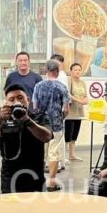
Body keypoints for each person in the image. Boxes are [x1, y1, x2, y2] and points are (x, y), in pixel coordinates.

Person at [0, 83, 53, 193]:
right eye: (12, 99)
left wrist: (28, 121)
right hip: (10, 178)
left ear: (28, 99)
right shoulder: (2, 120)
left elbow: (47, 137)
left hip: (35, 177)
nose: (17, 102)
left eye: (20, 98)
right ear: (6, 103)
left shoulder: (39, 117)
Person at [32, 60, 70, 191]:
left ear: (46, 70)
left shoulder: (38, 86)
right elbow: (66, 109)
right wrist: (61, 117)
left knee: (40, 152)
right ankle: (51, 183)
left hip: (40, 125)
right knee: (54, 153)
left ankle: (38, 180)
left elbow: (35, 106)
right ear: (57, 72)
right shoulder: (62, 87)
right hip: (56, 125)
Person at [65, 62, 87, 162]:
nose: (77, 72)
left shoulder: (82, 82)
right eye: (75, 70)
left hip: (79, 111)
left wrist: (85, 100)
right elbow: (68, 94)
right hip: (70, 112)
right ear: (71, 71)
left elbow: (85, 95)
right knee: (67, 135)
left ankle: (72, 155)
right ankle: (63, 157)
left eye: (79, 70)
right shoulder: (68, 80)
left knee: (74, 135)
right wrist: (79, 101)